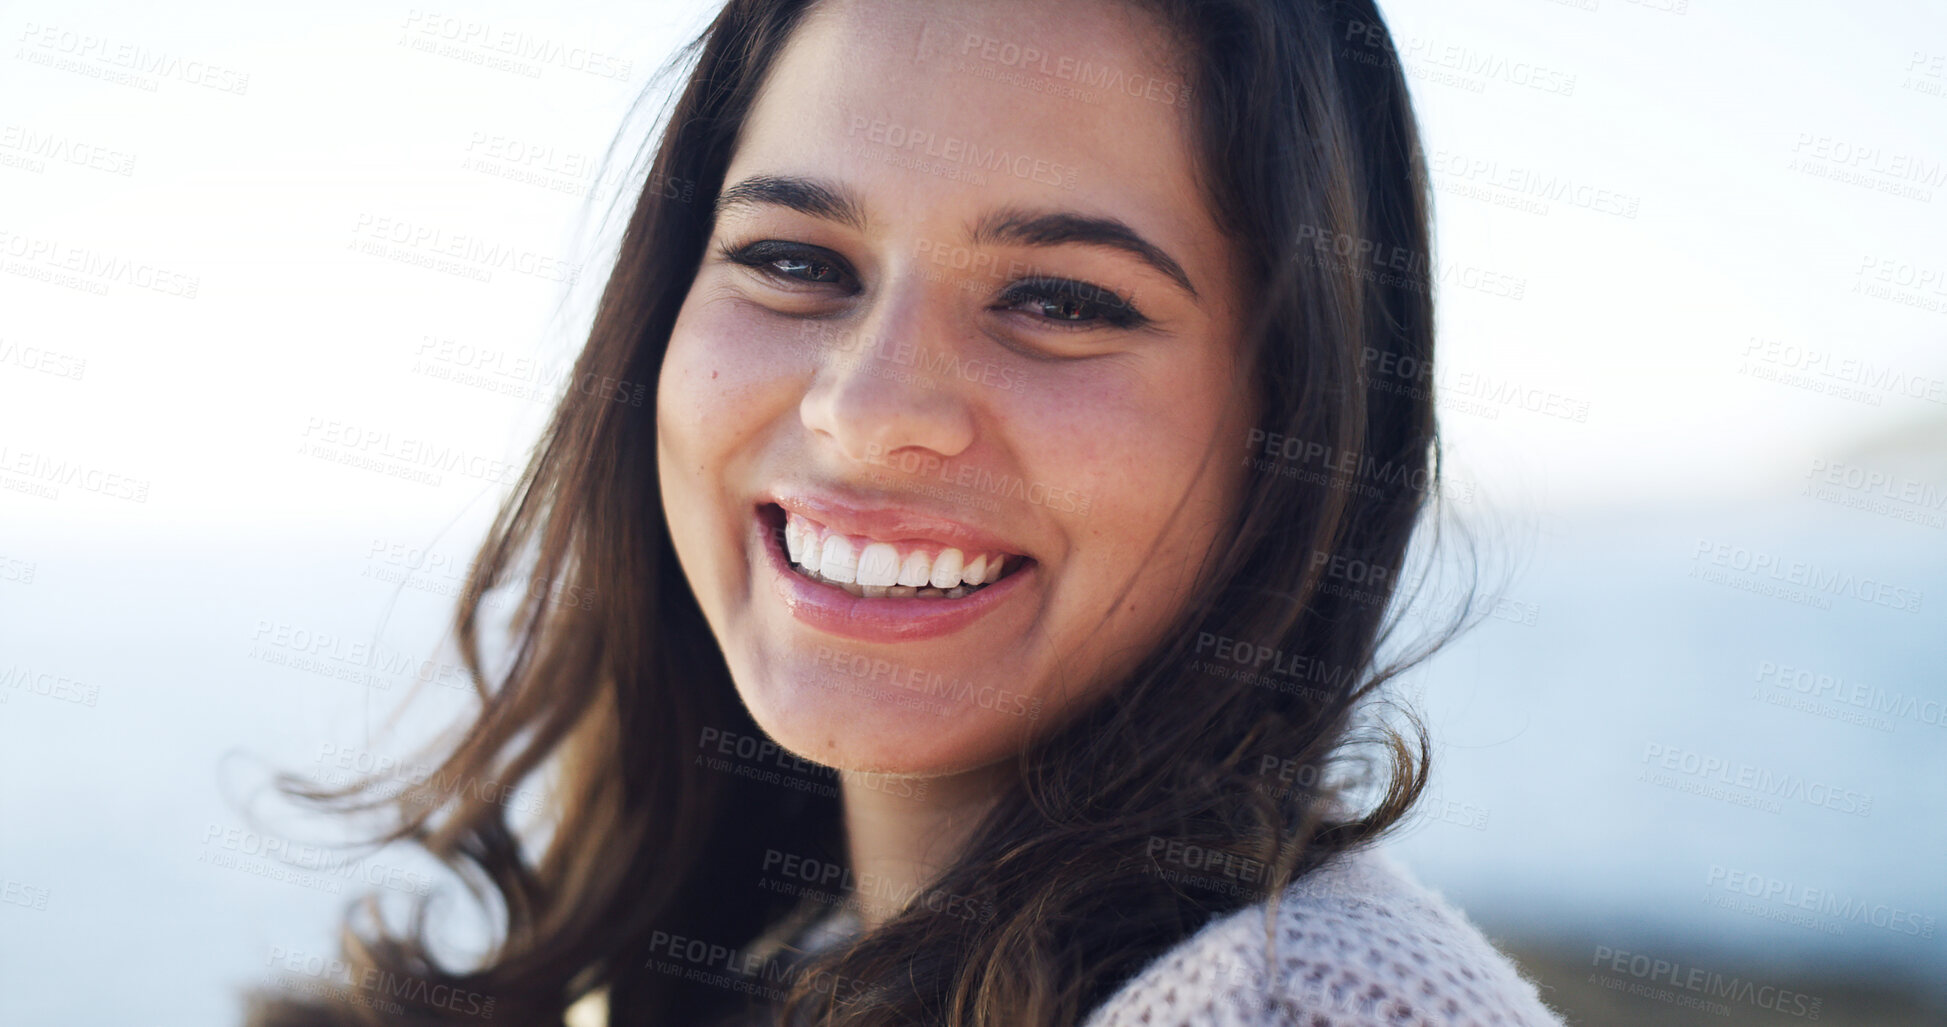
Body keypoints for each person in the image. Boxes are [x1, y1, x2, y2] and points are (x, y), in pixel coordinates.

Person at [248, 0, 1567, 1024]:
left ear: (1298, 420)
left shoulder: (1291, 1010)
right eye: (794, 263)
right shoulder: (784, 970)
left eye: (1060, 299)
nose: (867, 408)